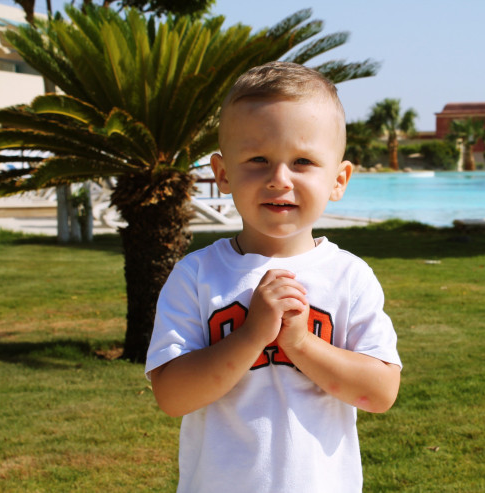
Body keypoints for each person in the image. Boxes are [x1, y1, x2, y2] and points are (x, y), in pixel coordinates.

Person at [145, 61, 402, 493]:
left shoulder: (349, 277)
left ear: (338, 179)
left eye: (302, 161)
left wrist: (301, 343)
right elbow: (172, 396)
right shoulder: (197, 276)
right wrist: (251, 336)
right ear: (223, 174)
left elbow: (380, 392)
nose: (279, 179)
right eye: (258, 160)